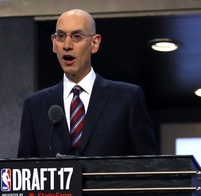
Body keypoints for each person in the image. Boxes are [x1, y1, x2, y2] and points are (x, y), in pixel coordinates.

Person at [17, 9, 159, 158]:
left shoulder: (127, 98)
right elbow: (23, 172)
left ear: (94, 43)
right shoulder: (35, 106)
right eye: (60, 36)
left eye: (77, 36)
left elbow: (147, 167)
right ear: (54, 43)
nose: (67, 45)